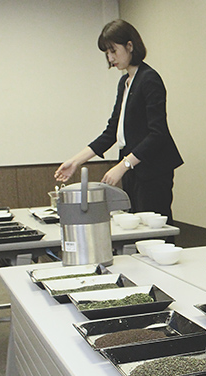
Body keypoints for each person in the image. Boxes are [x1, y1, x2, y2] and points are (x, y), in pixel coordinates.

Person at [54, 19, 183, 224]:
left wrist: (123, 165)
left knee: (154, 230)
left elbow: (158, 133)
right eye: (107, 53)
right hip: (133, 167)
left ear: (130, 46)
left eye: (113, 51)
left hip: (152, 168)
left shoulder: (149, 79)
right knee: (136, 229)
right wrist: (76, 161)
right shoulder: (125, 81)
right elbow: (112, 131)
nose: (110, 58)